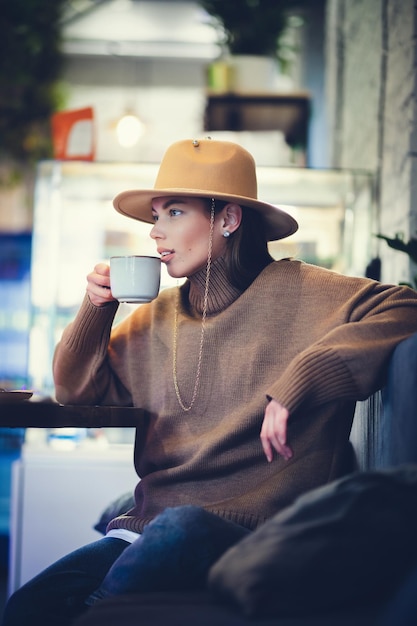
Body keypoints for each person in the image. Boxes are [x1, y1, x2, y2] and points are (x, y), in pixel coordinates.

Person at [3, 138, 417, 626]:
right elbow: (76, 391)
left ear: (228, 219)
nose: (156, 232)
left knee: (181, 528)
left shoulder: (308, 291)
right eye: (155, 216)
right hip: (145, 531)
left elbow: (406, 307)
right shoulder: (152, 319)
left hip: (256, 534)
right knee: (26, 608)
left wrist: (303, 379)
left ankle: (98, 614)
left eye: (174, 212)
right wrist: (96, 309)